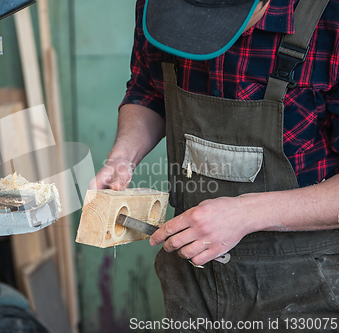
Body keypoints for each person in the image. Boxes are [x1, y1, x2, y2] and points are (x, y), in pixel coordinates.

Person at [91, 0, 339, 330]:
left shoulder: (330, 18)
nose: (198, 32)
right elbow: (148, 91)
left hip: (304, 282)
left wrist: (245, 214)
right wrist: (123, 157)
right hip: (191, 279)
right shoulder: (160, 8)